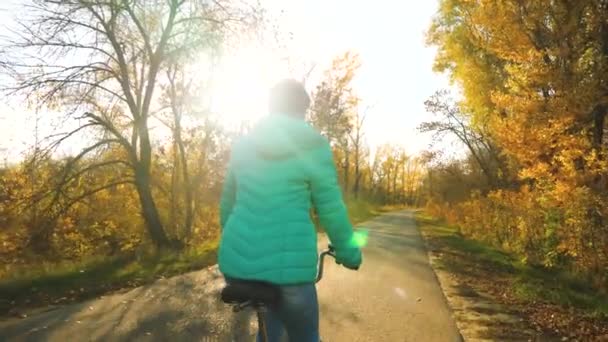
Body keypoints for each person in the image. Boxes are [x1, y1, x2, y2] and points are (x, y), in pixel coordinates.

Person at [218, 79, 362, 342]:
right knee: (305, 334)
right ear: (302, 111)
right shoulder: (313, 147)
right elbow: (330, 208)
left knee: (270, 322)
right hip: (289, 274)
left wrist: (236, 244)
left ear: (271, 107)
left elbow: (227, 204)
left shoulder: (243, 146)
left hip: (235, 266)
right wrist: (349, 252)